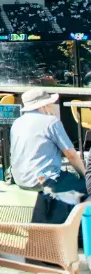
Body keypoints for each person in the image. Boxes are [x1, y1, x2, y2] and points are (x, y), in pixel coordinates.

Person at [10, 89, 89, 223]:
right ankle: (79, 231)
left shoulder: (17, 122)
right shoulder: (51, 122)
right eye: (52, 103)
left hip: (20, 179)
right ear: (43, 105)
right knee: (86, 187)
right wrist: (85, 176)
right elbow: (71, 155)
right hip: (45, 180)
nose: (53, 106)